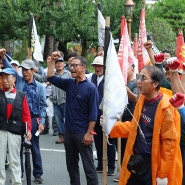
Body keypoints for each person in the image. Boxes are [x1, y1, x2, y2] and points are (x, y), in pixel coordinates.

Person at [108, 65, 182, 185]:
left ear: (155, 84)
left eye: (143, 78)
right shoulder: (142, 100)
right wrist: (112, 126)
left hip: (153, 164)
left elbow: (170, 144)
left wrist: (163, 174)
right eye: (138, 76)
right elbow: (134, 127)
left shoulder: (166, 108)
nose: (138, 81)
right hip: (137, 160)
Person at [47, 54, 99, 185]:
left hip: (83, 133)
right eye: (70, 66)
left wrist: (89, 133)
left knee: (89, 168)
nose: (72, 68)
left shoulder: (91, 88)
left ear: (83, 67)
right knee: (71, 167)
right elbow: (51, 77)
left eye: (75, 65)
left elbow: (94, 114)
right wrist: (51, 62)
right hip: (68, 132)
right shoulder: (69, 83)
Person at [2, 50, 46, 184]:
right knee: (17, 148)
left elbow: (43, 106)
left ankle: (38, 173)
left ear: (33, 70)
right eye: (23, 69)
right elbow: (9, 70)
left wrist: (42, 122)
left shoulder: (40, 87)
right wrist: (3, 58)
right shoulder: (19, 81)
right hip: (16, 118)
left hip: (32, 118)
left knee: (34, 146)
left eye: (27, 70)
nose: (24, 72)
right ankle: (19, 173)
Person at [0, 68, 32, 185]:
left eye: (7, 77)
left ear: (14, 79)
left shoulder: (21, 96)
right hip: (1, 130)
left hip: (15, 131)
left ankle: (16, 182)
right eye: (2, 77)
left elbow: (26, 115)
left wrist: (28, 130)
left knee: (15, 161)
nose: (4, 80)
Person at [86, 56, 117, 176]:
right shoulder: (91, 77)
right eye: (95, 66)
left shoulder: (110, 79)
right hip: (94, 114)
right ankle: (100, 164)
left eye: (100, 66)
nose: (97, 68)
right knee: (98, 141)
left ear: (105, 67)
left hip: (107, 114)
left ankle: (111, 167)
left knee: (109, 141)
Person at [113, 63, 138, 182]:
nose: (123, 71)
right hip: (121, 120)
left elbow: (136, 98)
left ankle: (128, 173)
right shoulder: (124, 83)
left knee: (129, 149)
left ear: (132, 69)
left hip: (131, 121)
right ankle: (122, 171)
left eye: (126, 68)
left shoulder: (135, 84)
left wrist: (125, 88)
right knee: (121, 148)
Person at [50, 56, 71, 144]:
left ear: (64, 64)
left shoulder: (68, 74)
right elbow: (42, 78)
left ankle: (69, 136)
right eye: (57, 63)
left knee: (68, 119)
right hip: (55, 100)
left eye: (60, 62)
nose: (58, 64)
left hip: (66, 99)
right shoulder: (52, 74)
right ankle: (61, 136)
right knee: (58, 120)